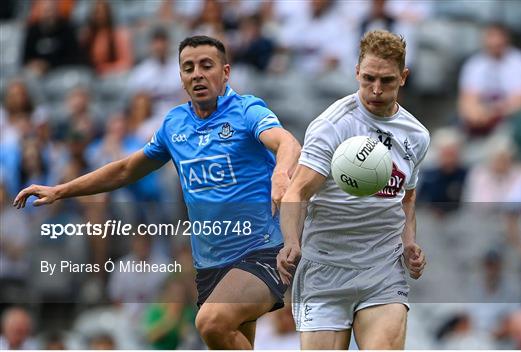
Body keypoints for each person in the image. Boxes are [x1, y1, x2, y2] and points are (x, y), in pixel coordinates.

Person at [14, 35, 301, 349]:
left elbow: (286, 142)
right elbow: (125, 169)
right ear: (181, 77)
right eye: (188, 68)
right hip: (211, 263)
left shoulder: (247, 110)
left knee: (210, 322)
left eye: (207, 65)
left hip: (262, 250)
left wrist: (280, 172)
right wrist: (61, 190)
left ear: (226, 72)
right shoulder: (174, 125)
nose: (197, 74)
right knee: (230, 337)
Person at [277, 30, 429, 349]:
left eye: (386, 80)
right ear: (356, 72)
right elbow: (298, 193)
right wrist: (291, 240)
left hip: (382, 268)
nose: (375, 89)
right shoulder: (333, 125)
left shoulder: (416, 135)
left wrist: (409, 243)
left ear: (403, 77)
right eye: (368, 78)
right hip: (325, 268)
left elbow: (408, 196)